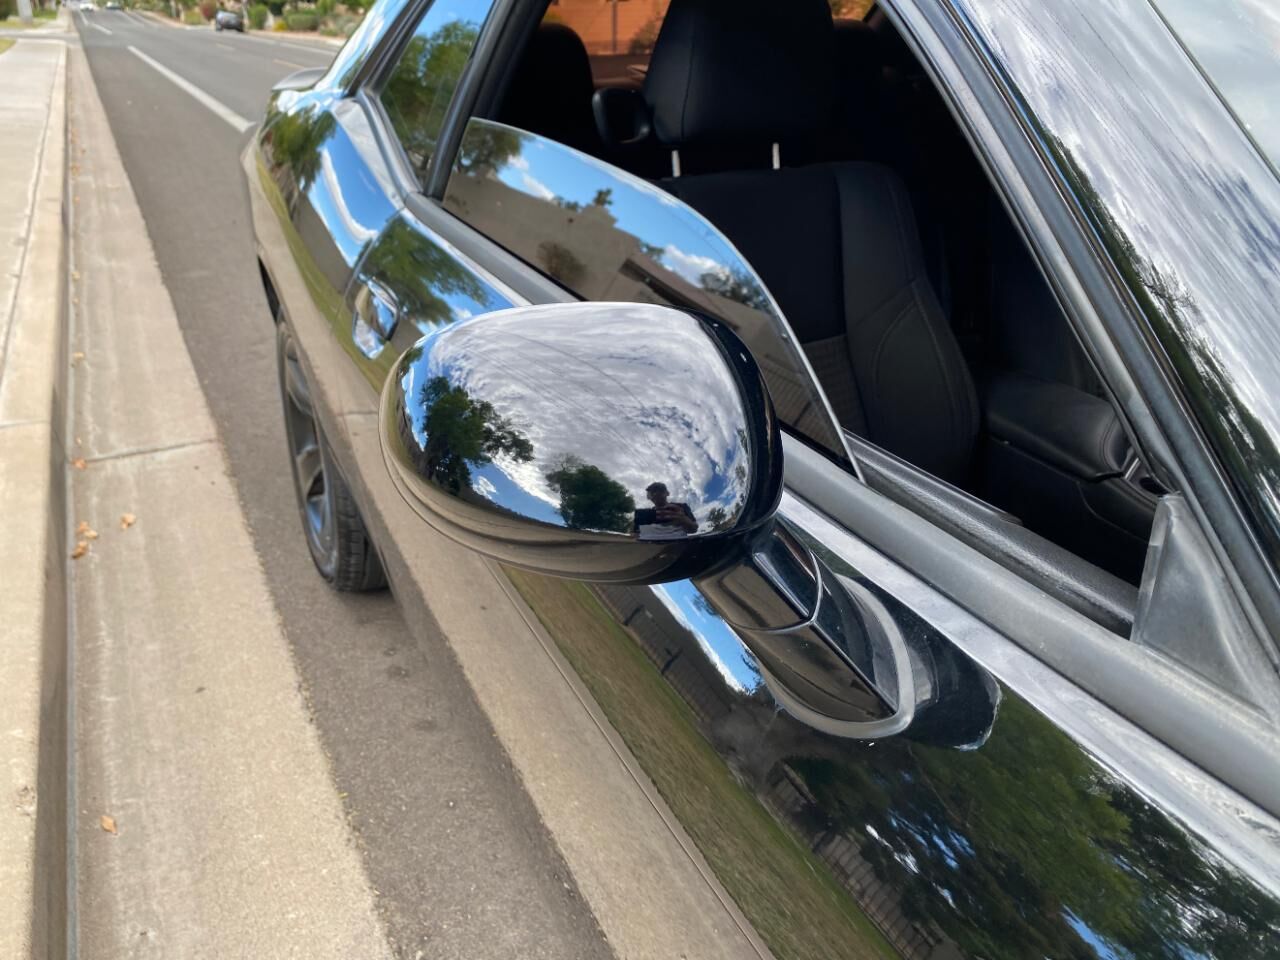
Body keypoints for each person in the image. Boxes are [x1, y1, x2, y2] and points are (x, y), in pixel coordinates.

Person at [633, 482, 697, 539]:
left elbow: (694, 529)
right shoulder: (645, 515)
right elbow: (635, 535)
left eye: (659, 490)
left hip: (680, 545)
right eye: (652, 493)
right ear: (649, 497)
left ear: (667, 493)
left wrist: (684, 519)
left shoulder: (681, 507)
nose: (656, 494)